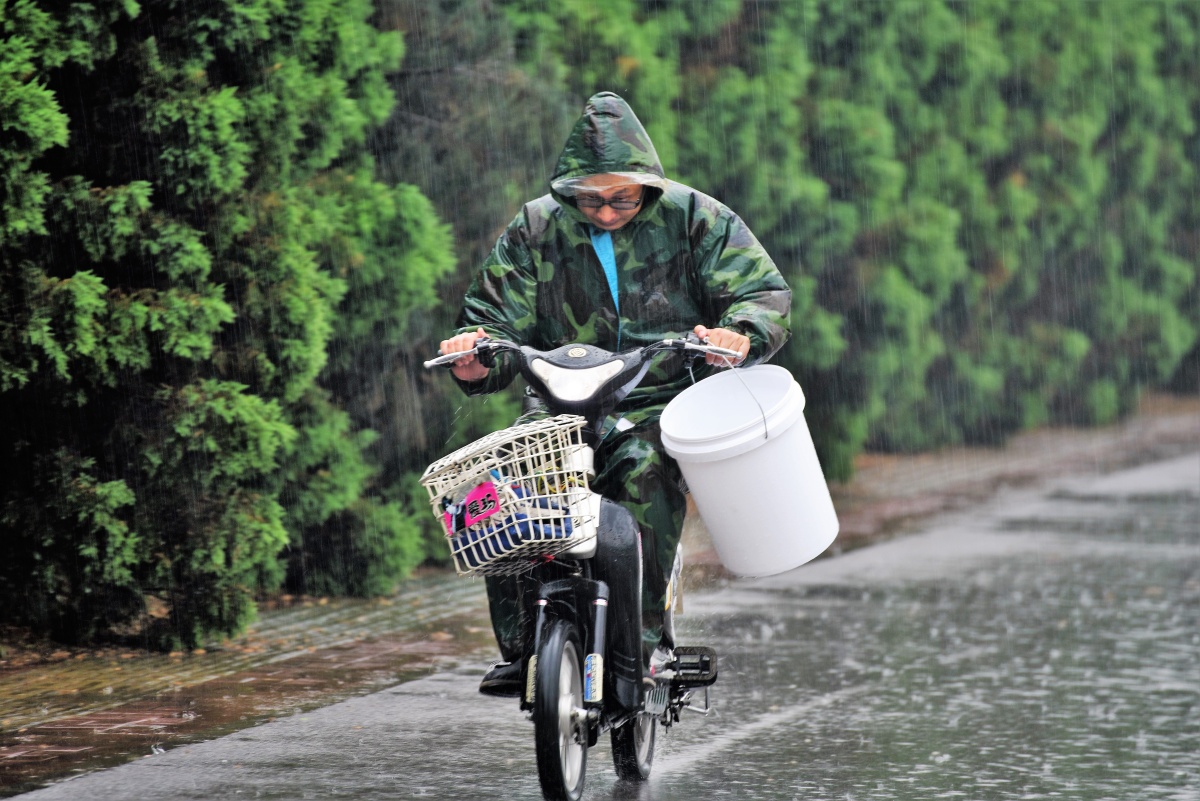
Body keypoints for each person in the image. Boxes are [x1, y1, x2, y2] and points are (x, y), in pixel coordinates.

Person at [440, 91, 791, 699]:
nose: (605, 211)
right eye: (590, 199)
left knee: (644, 472)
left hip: (657, 398)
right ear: (567, 190)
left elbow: (761, 293)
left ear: (646, 186)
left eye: (621, 197)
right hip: (556, 402)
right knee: (503, 491)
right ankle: (526, 649)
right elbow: (493, 321)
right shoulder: (536, 227)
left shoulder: (694, 217)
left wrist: (739, 335)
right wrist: (475, 359)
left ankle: (646, 644)